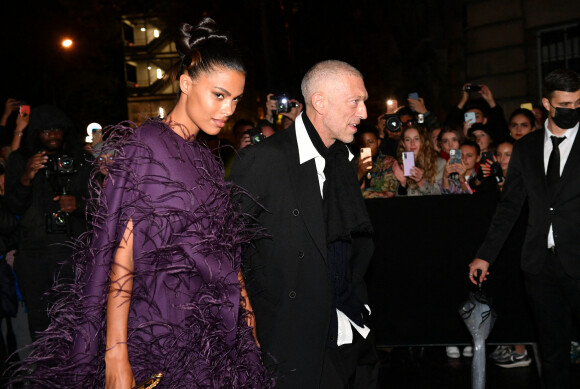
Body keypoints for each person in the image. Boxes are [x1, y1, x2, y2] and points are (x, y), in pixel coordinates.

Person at [8, 18, 273, 388]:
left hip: (210, 330)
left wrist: (247, 319)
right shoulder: (148, 144)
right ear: (185, 83)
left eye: (235, 99)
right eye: (219, 95)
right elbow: (122, 253)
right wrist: (116, 351)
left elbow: (223, 247)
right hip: (159, 327)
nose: (228, 109)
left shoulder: (205, 158)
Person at [229, 60, 378, 388]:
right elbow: (225, 247)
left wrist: (359, 307)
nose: (364, 112)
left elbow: (351, 244)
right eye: (355, 101)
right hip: (286, 340)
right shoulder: (265, 159)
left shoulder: (341, 159)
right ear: (320, 102)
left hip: (343, 330)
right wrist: (245, 321)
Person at [469, 68, 580, 389]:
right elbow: (509, 206)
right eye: (565, 104)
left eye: (577, 104)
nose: (571, 110)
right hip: (539, 266)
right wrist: (485, 255)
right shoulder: (527, 147)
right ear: (546, 103)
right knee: (553, 351)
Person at [4, 104, 92, 341]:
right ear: (36, 133)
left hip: (72, 252)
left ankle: (76, 376)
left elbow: (101, 207)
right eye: (46, 130)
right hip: (33, 256)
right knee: (41, 326)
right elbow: (12, 207)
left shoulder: (81, 159)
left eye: (57, 130)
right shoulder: (19, 160)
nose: (52, 135)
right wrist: (26, 177)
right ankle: (45, 377)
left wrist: (79, 205)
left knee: (75, 324)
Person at [394, 124, 445, 196]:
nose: (412, 143)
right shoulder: (399, 166)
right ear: (403, 144)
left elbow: (439, 195)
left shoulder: (439, 164)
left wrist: (421, 182)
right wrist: (403, 184)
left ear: (422, 141)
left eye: (416, 139)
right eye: (408, 140)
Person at [355, 125, 398, 198]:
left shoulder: (389, 162)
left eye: (370, 142)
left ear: (378, 142)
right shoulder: (354, 163)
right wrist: (359, 174)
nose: (366, 146)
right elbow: (345, 192)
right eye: (363, 143)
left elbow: (390, 192)